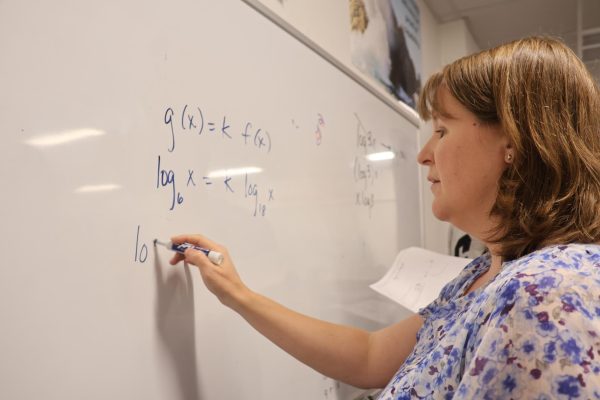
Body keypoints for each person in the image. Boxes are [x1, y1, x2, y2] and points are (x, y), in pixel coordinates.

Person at [169, 36, 600, 399]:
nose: (423, 154)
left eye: (443, 131)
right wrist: (239, 295)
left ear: (514, 142)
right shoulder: (482, 274)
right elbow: (371, 356)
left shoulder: (545, 294)